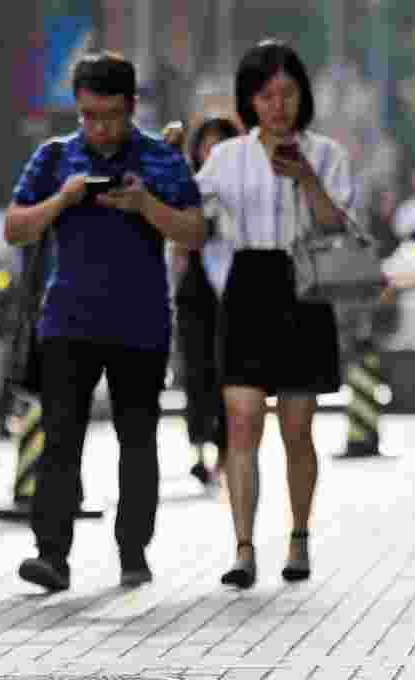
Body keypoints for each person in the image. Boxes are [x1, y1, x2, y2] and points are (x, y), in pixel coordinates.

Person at [4, 52, 207, 591]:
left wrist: (146, 206)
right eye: (88, 115)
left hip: (141, 325)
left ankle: (133, 552)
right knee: (61, 440)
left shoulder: (161, 160)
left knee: (137, 442)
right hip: (67, 321)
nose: (99, 128)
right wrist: (62, 200)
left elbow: (195, 231)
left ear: (132, 106)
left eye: (111, 116)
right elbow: (14, 227)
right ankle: (52, 555)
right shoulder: (53, 158)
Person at [194, 39, 362, 589]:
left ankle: (299, 536)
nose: (277, 105)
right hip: (247, 285)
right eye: (265, 95)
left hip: (304, 286)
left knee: (297, 428)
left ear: (302, 96)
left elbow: (340, 225)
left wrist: (306, 177)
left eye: (287, 92)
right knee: (242, 421)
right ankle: (243, 548)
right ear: (249, 100)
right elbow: (196, 212)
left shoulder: (328, 153)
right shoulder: (228, 156)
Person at [166, 117, 240, 486]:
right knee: (196, 373)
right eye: (206, 145)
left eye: (220, 145)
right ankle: (198, 450)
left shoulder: (245, 188)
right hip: (196, 292)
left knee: (230, 374)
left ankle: (227, 452)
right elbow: (177, 243)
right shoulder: (188, 186)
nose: (212, 152)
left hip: (234, 291)